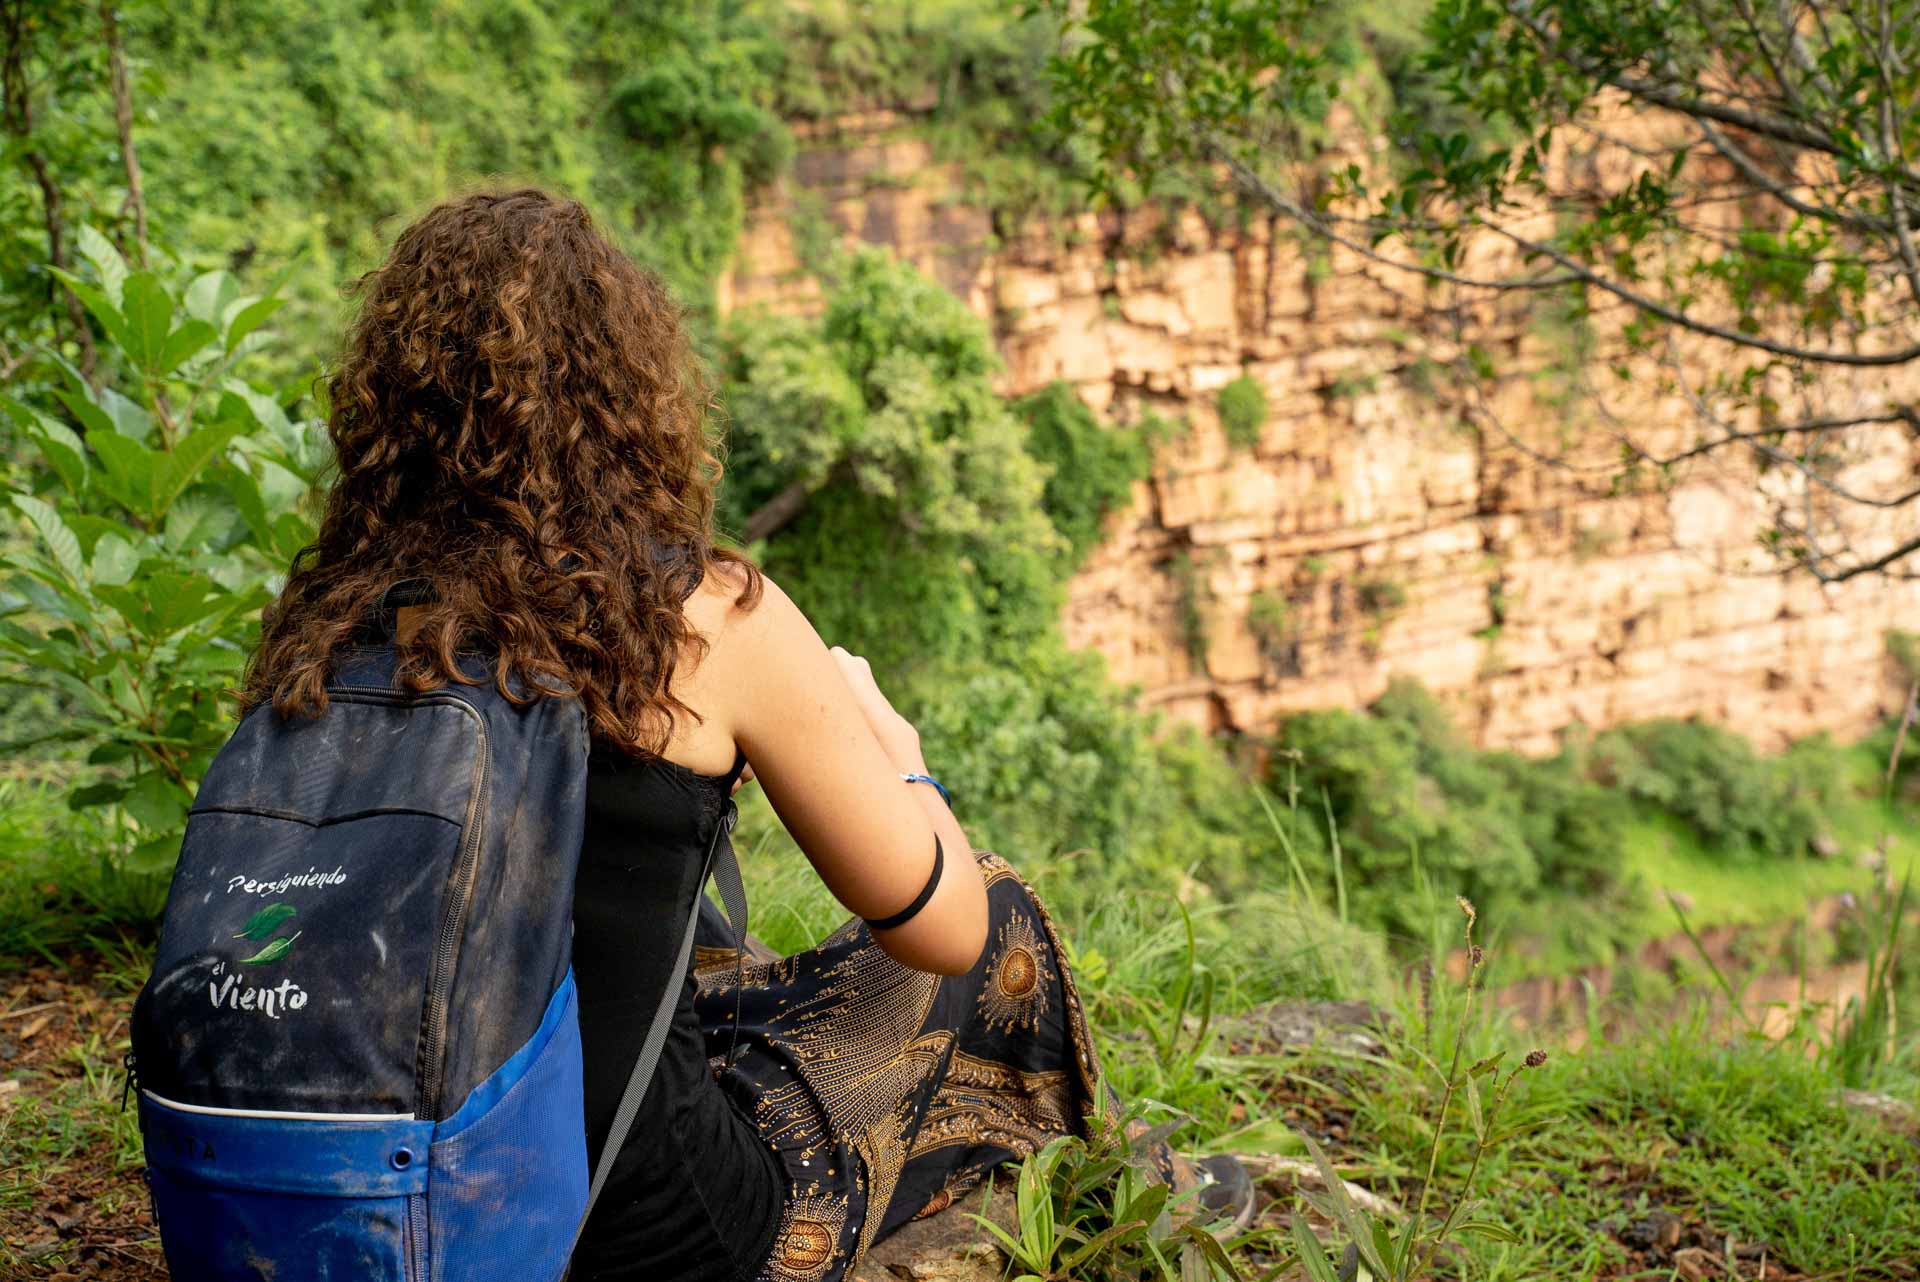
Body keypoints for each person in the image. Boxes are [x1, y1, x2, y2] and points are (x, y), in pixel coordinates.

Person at [241, 187, 1249, 1282]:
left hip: (325, 1193)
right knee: (996, 919)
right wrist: (901, 754)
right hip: (625, 1235)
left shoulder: (326, 625)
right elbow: (941, 929)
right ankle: (1083, 1193)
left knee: (715, 968)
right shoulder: (697, 614)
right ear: (627, 391)